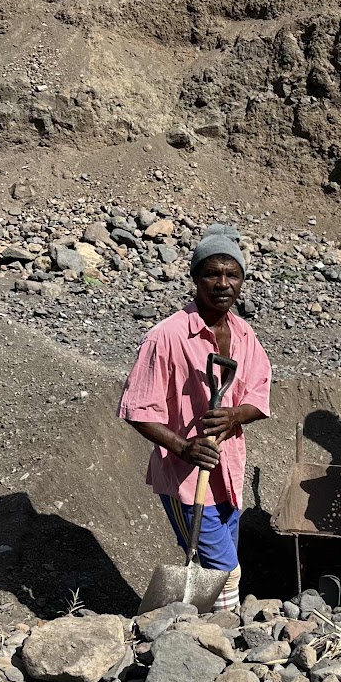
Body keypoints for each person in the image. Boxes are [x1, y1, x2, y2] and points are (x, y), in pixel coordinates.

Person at [118, 224, 271, 614]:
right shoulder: (165, 336)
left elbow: (258, 394)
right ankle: (231, 635)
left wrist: (235, 414)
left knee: (219, 566)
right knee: (227, 569)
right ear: (194, 278)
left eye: (232, 274)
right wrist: (184, 447)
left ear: (242, 280)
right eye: (212, 273)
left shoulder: (244, 335)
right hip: (188, 479)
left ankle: (204, 623)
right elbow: (137, 409)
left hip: (228, 473)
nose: (223, 283)